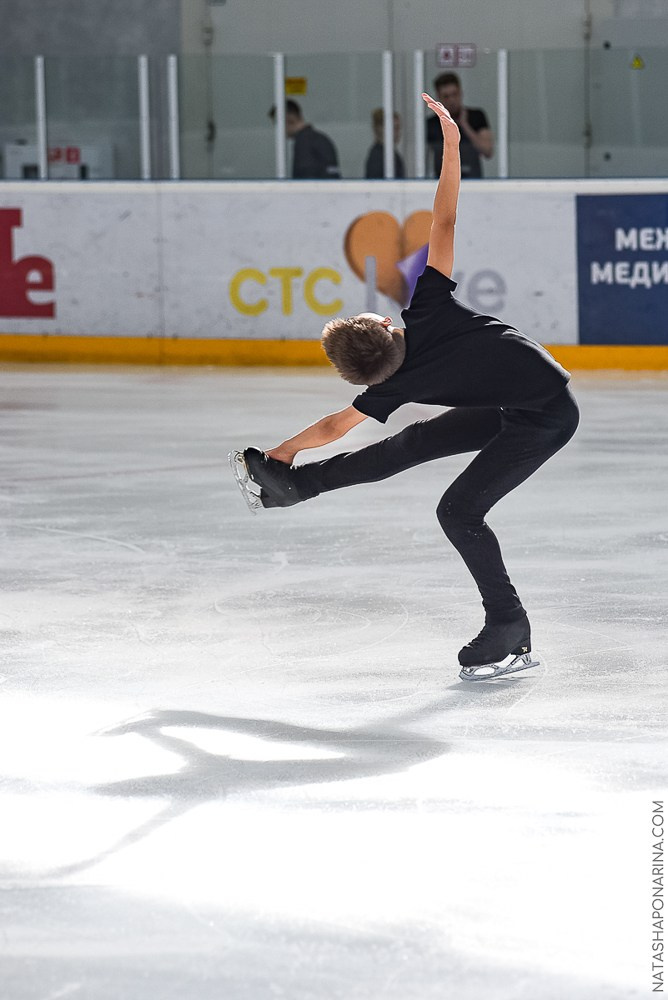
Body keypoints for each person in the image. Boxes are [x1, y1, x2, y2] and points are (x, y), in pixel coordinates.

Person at [231, 92, 579, 682]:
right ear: (389, 323)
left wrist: (285, 448)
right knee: (411, 446)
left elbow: (338, 424)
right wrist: (449, 140)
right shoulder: (428, 310)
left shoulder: (391, 383)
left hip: (545, 415)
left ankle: (509, 624)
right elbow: (444, 218)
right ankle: (295, 489)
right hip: (520, 401)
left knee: (459, 511)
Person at [426, 72, 493, 178]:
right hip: (443, 181)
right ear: (439, 97)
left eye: (454, 94)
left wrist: (465, 125)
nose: (451, 100)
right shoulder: (431, 124)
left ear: (461, 93)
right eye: (446, 96)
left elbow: (487, 150)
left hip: (473, 181)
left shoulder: (476, 116)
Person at [269, 99, 341, 179]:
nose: (278, 130)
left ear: (289, 119)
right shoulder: (321, 139)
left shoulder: (303, 143)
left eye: (278, 124)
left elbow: (305, 181)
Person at [364, 108, 405, 179]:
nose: (398, 132)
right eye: (395, 128)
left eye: (398, 128)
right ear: (381, 129)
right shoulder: (378, 157)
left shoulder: (390, 153)